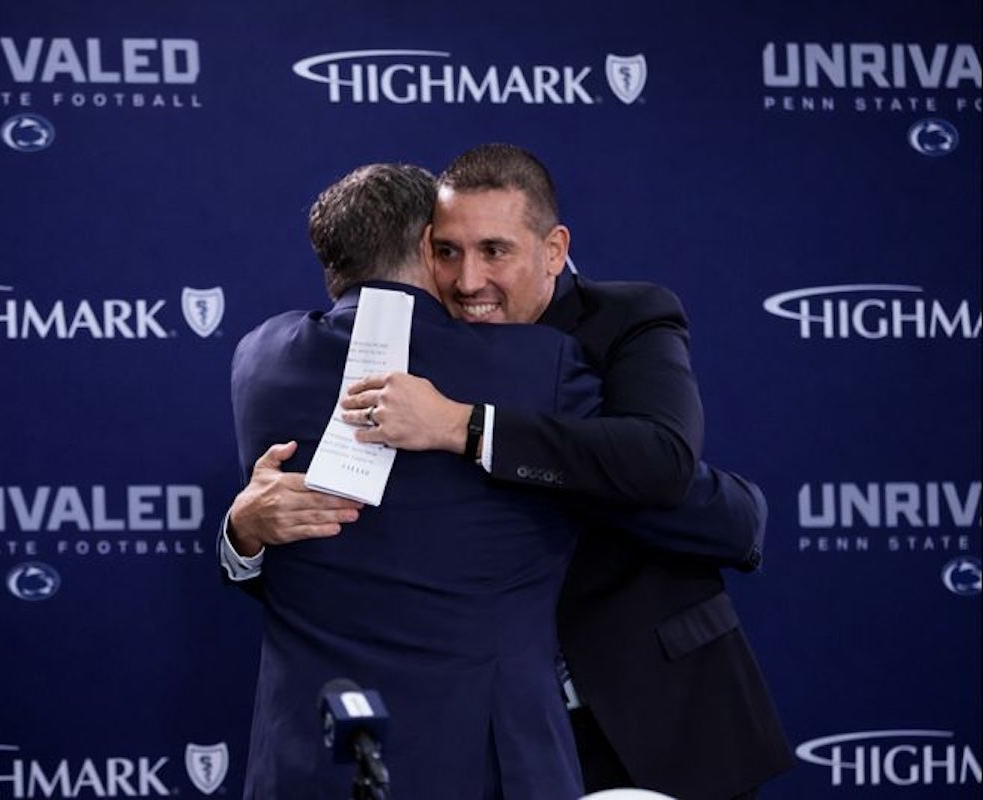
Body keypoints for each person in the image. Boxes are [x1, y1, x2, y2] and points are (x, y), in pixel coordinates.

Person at [225, 145, 793, 800]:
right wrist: (241, 529)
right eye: (448, 252)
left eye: (494, 251)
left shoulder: (610, 329)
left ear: (553, 251)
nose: (468, 282)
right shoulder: (434, 361)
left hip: (637, 720)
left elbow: (696, 496)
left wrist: (465, 428)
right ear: (421, 250)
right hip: (495, 736)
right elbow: (339, 544)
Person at [231, 162, 601, 799]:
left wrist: (238, 533)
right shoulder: (540, 366)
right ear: (431, 247)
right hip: (486, 763)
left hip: (313, 761)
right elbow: (645, 478)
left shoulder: (261, 359)